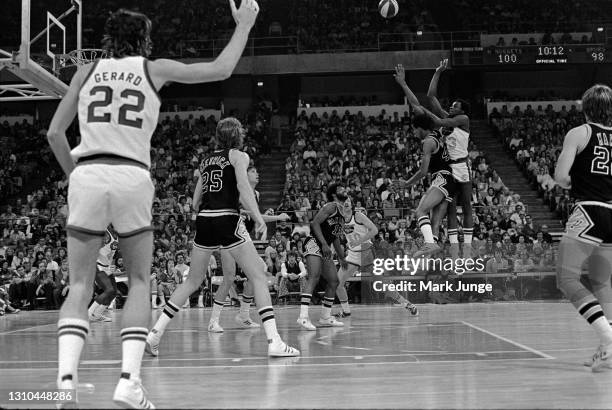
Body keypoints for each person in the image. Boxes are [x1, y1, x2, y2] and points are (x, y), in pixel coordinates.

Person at [46, 2, 261, 407]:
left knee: (78, 285)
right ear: (143, 41)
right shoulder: (153, 69)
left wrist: (75, 177)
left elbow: (56, 134)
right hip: (132, 176)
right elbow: (221, 69)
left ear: (107, 41)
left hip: (89, 173)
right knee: (140, 282)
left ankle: (64, 386)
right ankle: (128, 381)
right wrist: (245, 25)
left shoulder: (84, 72)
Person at [146, 117, 299, 358]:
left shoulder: (206, 160)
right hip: (226, 218)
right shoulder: (239, 156)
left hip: (205, 220)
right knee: (258, 275)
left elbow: (195, 201)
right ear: (238, 136)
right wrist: (259, 218)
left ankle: (155, 333)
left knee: (192, 281)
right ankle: (275, 341)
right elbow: (243, 187)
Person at [554, 84, 612, 372]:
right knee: (602, 281)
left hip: (589, 210)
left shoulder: (580, 133)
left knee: (566, 278)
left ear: (586, 107)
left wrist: (575, 183)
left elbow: (561, 177)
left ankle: (608, 336)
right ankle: (607, 350)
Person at [207, 166, 290, 332]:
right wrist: (276, 217)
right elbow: (250, 214)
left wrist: (262, 216)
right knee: (230, 277)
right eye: (253, 171)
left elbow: (254, 216)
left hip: (243, 237)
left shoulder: (256, 194)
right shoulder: (237, 191)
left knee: (257, 271)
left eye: (257, 171)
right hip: (229, 235)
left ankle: (243, 315)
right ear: (244, 175)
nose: (257, 173)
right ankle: (215, 320)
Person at [393, 64, 457, 258]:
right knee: (434, 221)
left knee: (420, 210)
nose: (413, 132)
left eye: (413, 129)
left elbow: (422, 172)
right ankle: (433, 244)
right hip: (449, 179)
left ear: (419, 129)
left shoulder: (427, 142)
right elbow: (416, 104)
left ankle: (430, 243)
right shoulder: (437, 132)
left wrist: (406, 183)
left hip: (443, 178)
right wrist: (403, 84)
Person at [334, 198, 418, 317]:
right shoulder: (339, 219)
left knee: (382, 284)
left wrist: (359, 241)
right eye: (343, 201)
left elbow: (374, 230)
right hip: (353, 254)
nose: (346, 203)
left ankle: (407, 304)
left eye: (347, 200)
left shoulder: (358, 216)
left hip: (366, 252)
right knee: (337, 283)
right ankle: (346, 311)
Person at [425, 59, 474, 257]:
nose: (451, 107)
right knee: (451, 209)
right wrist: (437, 72)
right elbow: (430, 96)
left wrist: (423, 113)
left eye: (455, 106)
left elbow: (437, 120)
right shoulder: (451, 118)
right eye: (451, 106)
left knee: (467, 206)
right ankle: (455, 250)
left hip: (462, 166)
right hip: (449, 168)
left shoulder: (463, 119)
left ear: (461, 110)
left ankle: (468, 250)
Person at [297, 183, 349, 331]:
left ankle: (325, 317)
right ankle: (303, 317)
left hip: (325, 246)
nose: (344, 190)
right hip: (314, 243)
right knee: (314, 277)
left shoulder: (342, 213)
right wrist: (325, 244)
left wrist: (341, 257)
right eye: (341, 189)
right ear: (334, 194)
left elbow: (336, 238)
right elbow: (314, 223)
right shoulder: (331, 206)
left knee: (334, 281)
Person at [88, 226, 119, 322]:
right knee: (109, 290)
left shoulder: (117, 234)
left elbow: (112, 254)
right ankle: (89, 313)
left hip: (107, 267)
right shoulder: (105, 233)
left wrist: (111, 266)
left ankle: (97, 315)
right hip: (98, 266)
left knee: (113, 292)